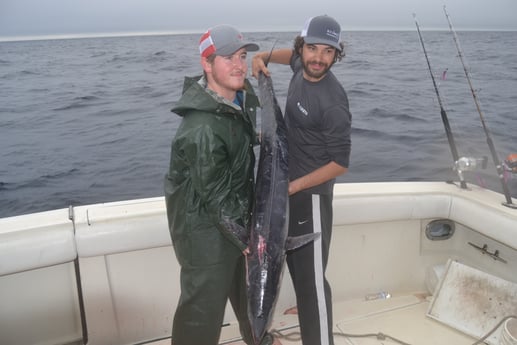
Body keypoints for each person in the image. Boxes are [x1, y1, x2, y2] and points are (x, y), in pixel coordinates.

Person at [164, 24, 279, 345]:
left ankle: (260, 339)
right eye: (227, 58)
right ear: (206, 63)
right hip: (203, 230)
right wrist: (250, 241)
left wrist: (262, 138)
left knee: (247, 292)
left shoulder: (234, 102)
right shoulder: (200, 127)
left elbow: (234, 147)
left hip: (235, 216)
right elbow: (214, 194)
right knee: (203, 310)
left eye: (242, 56)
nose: (239, 65)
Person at [252, 15, 352, 345]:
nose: (318, 58)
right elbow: (287, 57)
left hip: (308, 196)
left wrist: (291, 188)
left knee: (311, 287)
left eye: (328, 51)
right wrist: (261, 58)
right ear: (302, 45)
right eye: (312, 48)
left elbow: (340, 164)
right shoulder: (301, 66)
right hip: (285, 190)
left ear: (337, 54)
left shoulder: (333, 100)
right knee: (293, 273)